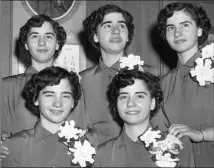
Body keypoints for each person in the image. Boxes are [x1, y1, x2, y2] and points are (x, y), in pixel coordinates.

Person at [80, 4, 158, 145]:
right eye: (108, 26)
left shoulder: (149, 73)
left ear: (128, 36)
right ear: (95, 36)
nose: (116, 31)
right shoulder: (81, 80)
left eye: (122, 26)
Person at [152, 2, 214, 167]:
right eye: (170, 28)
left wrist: (201, 134)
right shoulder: (163, 83)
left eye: (185, 25)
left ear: (199, 30)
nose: (177, 32)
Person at [94, 68, 195, 167]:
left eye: (139, 96)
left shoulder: (178, 145)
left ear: (152, 103)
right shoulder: (101, 154)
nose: (130, 103)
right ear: (116, 104)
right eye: (123, 97)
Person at [1, 14, 67, 160]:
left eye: (48, 36)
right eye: (35, 36)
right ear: (25, 44)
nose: (42, 43)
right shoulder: (5, 87)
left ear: (57, 43)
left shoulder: (72, 86)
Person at [1, 66, 82, 167]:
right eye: (49, 95)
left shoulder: (86, 141)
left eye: (65, 96)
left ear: (73, 102)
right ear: (36, 99)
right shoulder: (15, 145)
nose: (58, 103)